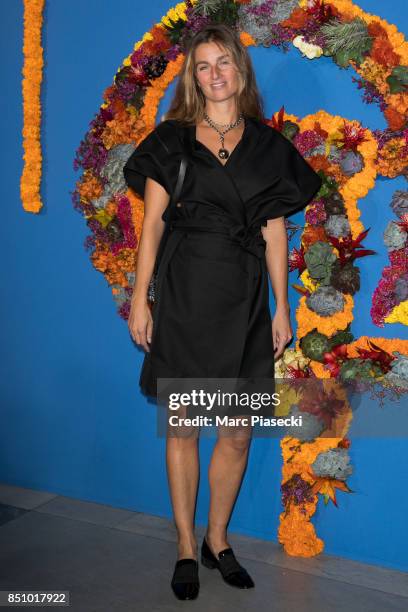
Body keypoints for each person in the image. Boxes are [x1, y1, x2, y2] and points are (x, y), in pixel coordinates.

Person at [123, 24, 322, 601]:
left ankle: (218, 539)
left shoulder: (268, 146)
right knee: (184, 425)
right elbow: (152, 226)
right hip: (186, 295)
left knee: (235, 433)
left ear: (240, 71)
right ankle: (186, 545)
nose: (214, 74)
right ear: (193, 76)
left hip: (244, 298)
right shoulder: (172, 140)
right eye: (203, 65)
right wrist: (142, 299)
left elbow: (275, 232)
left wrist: (283, 305)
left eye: (223, 63)